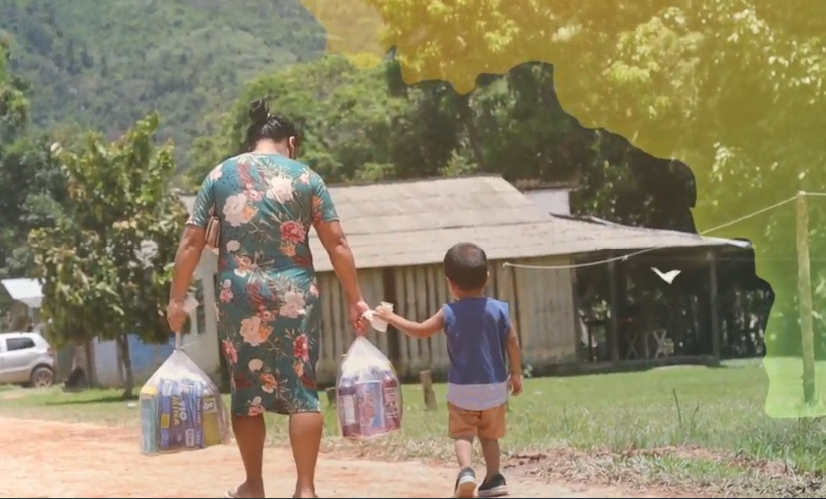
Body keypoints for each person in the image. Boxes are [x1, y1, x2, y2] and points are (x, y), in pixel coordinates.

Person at [167, 99, 370, 499]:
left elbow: (192, 241)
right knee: (302, 389)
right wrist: (355, 299)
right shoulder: (307, 178)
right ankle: (306, 489)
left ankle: (254, 485)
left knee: (246, 390)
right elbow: (338, 243)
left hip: (238, 297)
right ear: (290, 143)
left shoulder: (220, 175)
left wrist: (176, 300)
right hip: (295, 294)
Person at [374, 242, 523, 498]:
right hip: (495, 387)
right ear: (486, 277)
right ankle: (494, 478)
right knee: (490, 436)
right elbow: (512, 340)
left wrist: (390, 318)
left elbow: (420, 331)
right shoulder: (499, 309)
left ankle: (466, 472)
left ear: (449, 282)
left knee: (464, 434)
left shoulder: (449, 312)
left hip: (462, 388)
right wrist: (517, 373)